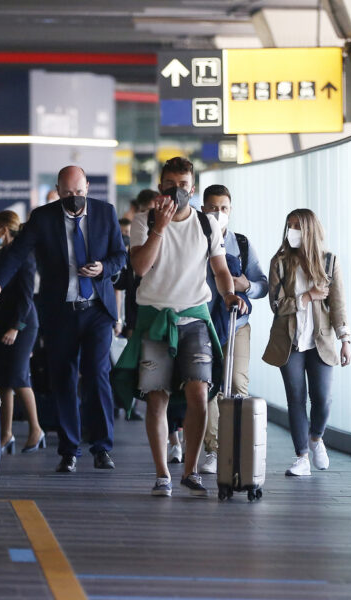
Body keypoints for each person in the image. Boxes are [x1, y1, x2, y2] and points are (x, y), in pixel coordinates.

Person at [117, 157, 247, 497]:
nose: (178, 191)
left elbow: (220, 269)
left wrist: (229, 294)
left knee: (199, 393)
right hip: (156, 319)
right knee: (156, 397)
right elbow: (140, 268)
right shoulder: (144, 221)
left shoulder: (207, 224)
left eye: (184, 185)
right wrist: (160, 227)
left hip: (194, 318)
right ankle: (162, 473)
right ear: (160, 187)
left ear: (193, 188)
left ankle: (191, 470)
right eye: (171, 185)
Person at [0, 165, 126, 473]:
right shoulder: (42, 217)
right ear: (58, 191)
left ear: (87, 187)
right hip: (60, 312)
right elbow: (17, 252)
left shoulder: (105, 213)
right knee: (63, 379)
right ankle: (69, 450)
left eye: (79, 192)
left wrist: (103, 268)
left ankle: (102, 447)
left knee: (97, 374)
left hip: (96, 309)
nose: (74, 197)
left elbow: (120, 255)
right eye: (67, 193)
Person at [262, 209, 351, 477]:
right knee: (296, 399)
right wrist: (308, 296)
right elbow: (276, 305)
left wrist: (345, 340)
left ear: (310, 229)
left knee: (323, 399)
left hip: (320, 341)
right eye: (289, 226)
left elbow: (338, 304)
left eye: (297, 226)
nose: (292, 231)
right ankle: (301, 457)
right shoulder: (279, 262)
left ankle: (316, 438)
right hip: (289, 342)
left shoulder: (329, 262)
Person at [199, 184, 268, 474]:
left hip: (236, 323)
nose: (219, 213)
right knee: (208, 386)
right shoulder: (195, 239)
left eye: (224, 208)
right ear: (203, 209)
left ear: (231, 209)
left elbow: (262, 284)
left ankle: (238, 446)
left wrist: (246, 286)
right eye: (213, 208)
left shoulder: (241, 244)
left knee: (237, 383)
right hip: (202, 323)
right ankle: (213, 450)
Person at [0, 210, 45, 454]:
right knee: (3, 381)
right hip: (0, 321)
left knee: (19, 377)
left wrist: (16, 327)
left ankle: (36, 429)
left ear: (4, 228)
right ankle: (6, 433)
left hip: (22, 323)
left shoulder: (24, 255)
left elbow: (26, 296)